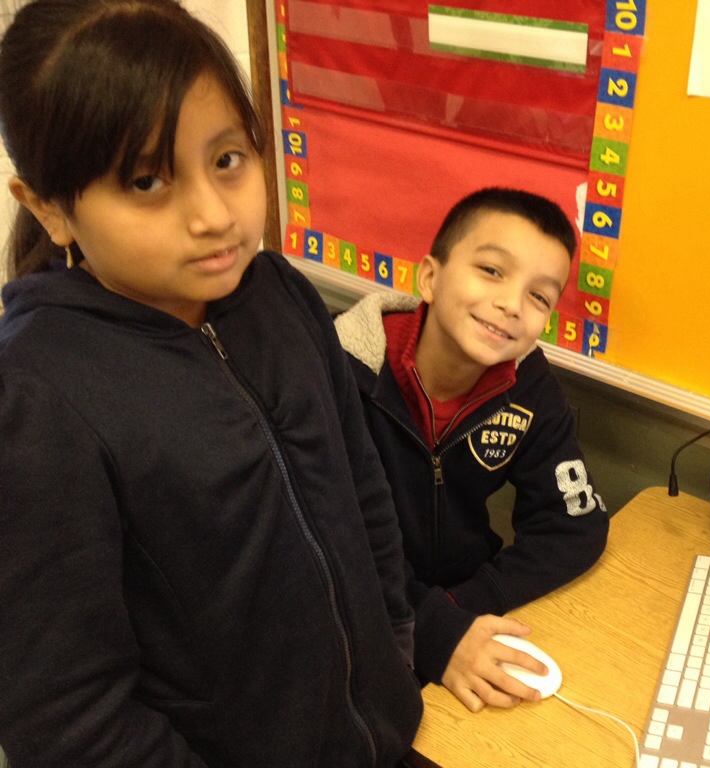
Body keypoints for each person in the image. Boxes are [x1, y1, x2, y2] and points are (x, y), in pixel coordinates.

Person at [0, 2, 421, 766]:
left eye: (227, 159)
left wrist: (395, 643)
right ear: (50, 210)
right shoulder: (38, 398)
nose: (214, 215)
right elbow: (68, 718)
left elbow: (362, 490)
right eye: (146, 180)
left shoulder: (278, 291)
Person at [335, 187, 610, 713]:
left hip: (458, 611)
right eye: (491, 270)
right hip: (356, 621)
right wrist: (433, 629)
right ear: (430, 278)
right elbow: (325, 541)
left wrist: (461, 609)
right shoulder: (340, 371)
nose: (512, 305)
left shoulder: (528, 386)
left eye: (539, 297)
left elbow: (575, 526)